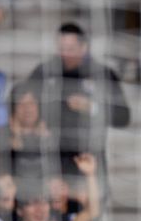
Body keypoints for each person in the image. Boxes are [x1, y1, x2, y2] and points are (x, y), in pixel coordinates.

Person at [25, 23, 130, 178]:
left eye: (70, 49)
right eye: (61, 48)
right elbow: (20, 103)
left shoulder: (104, 75)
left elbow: (123, 117)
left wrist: (92, 107)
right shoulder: (43, 72)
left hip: (89, 162)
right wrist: (35, 122)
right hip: (50, 162)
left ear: (84, 47)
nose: (65, 53)